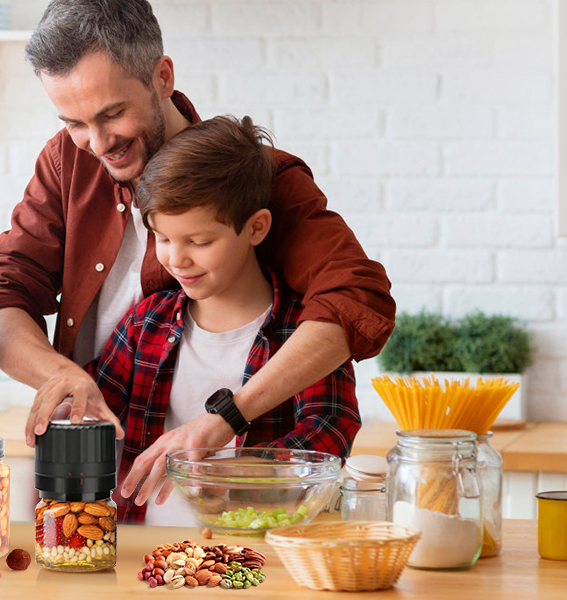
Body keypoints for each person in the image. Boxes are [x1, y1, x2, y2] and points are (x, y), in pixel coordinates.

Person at [0, 1, 393, 501]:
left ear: (162, 76)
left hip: (245, 505)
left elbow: (356, 298)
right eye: (74, 122)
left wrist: (227, 418)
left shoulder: (254, 177)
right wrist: (60, 374)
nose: (98, 143)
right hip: (101, 493)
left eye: (112, 113)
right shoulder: (67, 159)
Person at [83, 115, 360, 524]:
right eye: (163, 238)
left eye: (199, 241)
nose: (177, 259)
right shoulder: (146, 324)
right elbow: (97, 415)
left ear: (256, 228)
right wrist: (69, 405)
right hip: (142, 559)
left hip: (254, 559)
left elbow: (329, 433)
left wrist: (228, 473)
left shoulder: (305, 335)